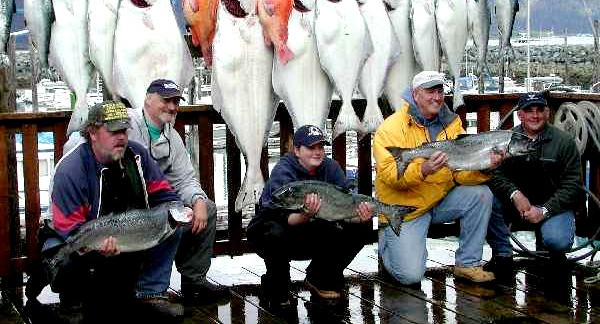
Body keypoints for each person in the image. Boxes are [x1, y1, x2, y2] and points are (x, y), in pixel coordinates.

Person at [46, 101, 186, 319]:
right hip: (72, 237)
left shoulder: (137, 155)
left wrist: (180, 209)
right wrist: (95, 246)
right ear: (92, 133)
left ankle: (150, 293)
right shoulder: (71, 170)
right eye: (113, 131)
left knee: (172, 225)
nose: (121, 137)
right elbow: (68, 228)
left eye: (124, 130)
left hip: (123, 234)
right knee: (66, 258)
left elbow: (165, 194)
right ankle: (73, 301)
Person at [373, 70, 503, 286]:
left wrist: (486, 167)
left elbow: (460, 172)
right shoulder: (391, 128)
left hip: (439, 200)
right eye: (430, 91)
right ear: (415, 95)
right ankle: (388, 244)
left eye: (440, 90)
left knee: (481, 194)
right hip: (406, 209)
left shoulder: (452, 123)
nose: (437, 97)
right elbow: (388, 175)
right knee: (410, 276)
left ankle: (467, 264)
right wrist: (423, 169)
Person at [246, 125, 373, 308]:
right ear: (297, 150)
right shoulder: (283, 170)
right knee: (274, 233)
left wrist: (361, 214)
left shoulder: (331, 167)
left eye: (320, 147)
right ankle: (277, 284)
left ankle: (320, 276)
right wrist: (306, 213)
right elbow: (285, 219)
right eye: (311, 148)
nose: (317, 152)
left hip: (312, 230)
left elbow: (348, 196)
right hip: (275, 233)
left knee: (361, 228)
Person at [127, 78, 229, 301]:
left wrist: (198, 201)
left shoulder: (172, 136)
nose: (172, 107)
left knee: (208, 209)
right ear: (147, 100)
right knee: (167, 218)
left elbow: (185, 179)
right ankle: (148, 291)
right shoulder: (128, 124)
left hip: (159, 203)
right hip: (129, 206)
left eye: (176, 101)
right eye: (166, 100)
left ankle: (194, 281)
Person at [485, 92, 584, 274]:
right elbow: (494, 174)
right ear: (520, 115)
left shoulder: (564, 142)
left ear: (547, 113)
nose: (535, 115)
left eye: (540, 110)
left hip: (553, 206)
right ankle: (502, 254)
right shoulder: (503, 140)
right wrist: (515, 194)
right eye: (529, 111)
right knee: (484, 199)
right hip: (515, 204)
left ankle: (552, 255)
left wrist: (545, 210)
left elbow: (573, 186)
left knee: (558, 240)